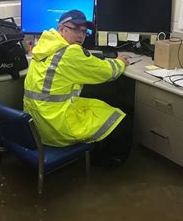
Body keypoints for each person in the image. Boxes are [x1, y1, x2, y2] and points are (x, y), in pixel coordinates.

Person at [23, 9, 131, 165]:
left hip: (37, 123)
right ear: (61, 29)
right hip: (56, 126)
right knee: (121, 120)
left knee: (99, 102)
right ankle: (108, 163)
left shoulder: (43, 46)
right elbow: (106, 72)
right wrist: (121, 62)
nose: (80, 35)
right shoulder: (70, 52)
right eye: (75, 29)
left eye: (83, 31)